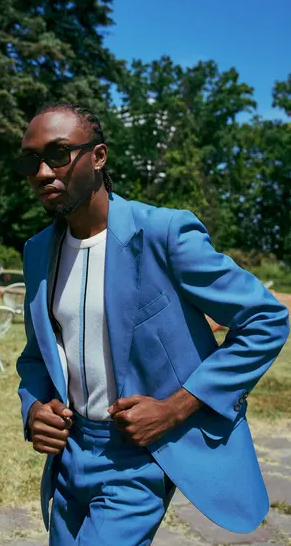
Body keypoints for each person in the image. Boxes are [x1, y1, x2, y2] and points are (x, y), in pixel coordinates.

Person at [16, 102, 289, 546]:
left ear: (99, 156)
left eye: (59, 154)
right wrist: (32, 408)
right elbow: (36, 354)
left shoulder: (164, 233)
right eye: (31, 161)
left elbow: (265, 319)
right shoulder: (37, 252)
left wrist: (178, 406)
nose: (44, 171)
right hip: (68, 455)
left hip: (137, 457)